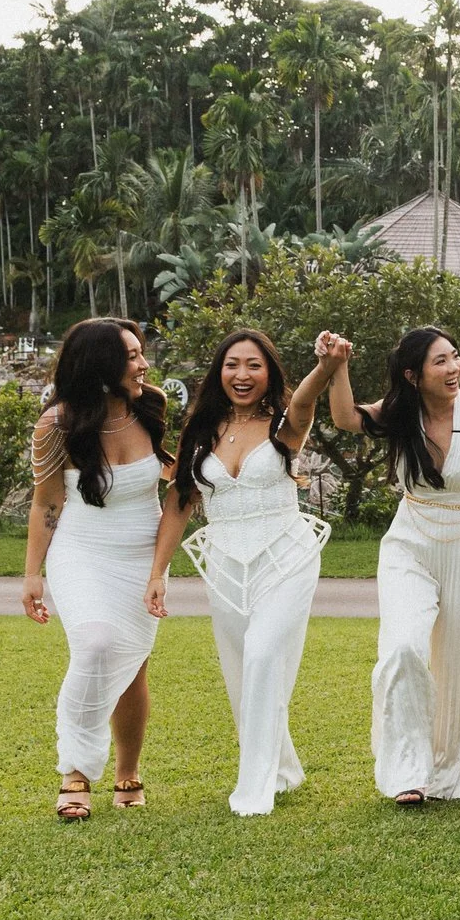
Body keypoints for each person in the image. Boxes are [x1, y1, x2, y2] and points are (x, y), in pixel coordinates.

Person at [326, 326, 460, 806]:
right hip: (409, 542)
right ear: (413, 375)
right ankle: (407, 771)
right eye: (440, 361)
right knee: (403, 646)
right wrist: (337, 366)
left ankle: (459, 759)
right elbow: (343, 417)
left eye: (455, 357)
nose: (454, 367)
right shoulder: (400, 414)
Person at [145, 328, 346, 816]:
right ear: (219, 371)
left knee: (260, 655)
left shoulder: (284, 423)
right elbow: (180, 502)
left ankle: (254, 786)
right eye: (233, 364)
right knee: (240, 669)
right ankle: (283, 767)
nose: (242, 374)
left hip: (287, 553)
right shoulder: (201, 431)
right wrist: (158, 572)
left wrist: (324, 367)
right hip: (225, 561)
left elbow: (304, 404)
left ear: (269, 372)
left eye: (254, 365)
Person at [23, 318, 168, 820]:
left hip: (142, 558)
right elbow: (46, 503)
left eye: (140, 352)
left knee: (132, 669)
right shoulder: (56, 425)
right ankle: (76, 772)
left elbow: (176, 475)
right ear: (100, 365)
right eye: (131, 356)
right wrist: (32, 574)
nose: (143, 363)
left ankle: (128, 771)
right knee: (97, 643)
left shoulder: (151, 408)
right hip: (82, 551)